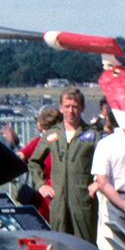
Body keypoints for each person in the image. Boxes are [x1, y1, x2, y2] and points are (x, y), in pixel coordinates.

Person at [43, 88, 101, 242]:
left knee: (87, 248)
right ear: (61, 108)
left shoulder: (93, 135)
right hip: (58, 202)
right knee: (58, 246)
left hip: (83, 201)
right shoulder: (52, 134)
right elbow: (33, 162)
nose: (71, 111)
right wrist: (40, 184)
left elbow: (109, 162)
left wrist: (98, 183)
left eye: (75, 106)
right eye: (67, 106)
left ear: (82, 108)